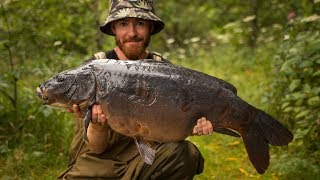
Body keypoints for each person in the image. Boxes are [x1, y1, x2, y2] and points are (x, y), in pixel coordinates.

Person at [58, 0, 213, 179]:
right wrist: (98, 127)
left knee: (187, 153)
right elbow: (96, 147)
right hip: (98, 162)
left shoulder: (165, 72)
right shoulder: (91, 72)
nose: (132, 33)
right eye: (123, 24)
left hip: (145, 160)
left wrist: (190, 125)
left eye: (140, 23)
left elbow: (170, 135)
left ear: (150, 28)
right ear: (113, 28)